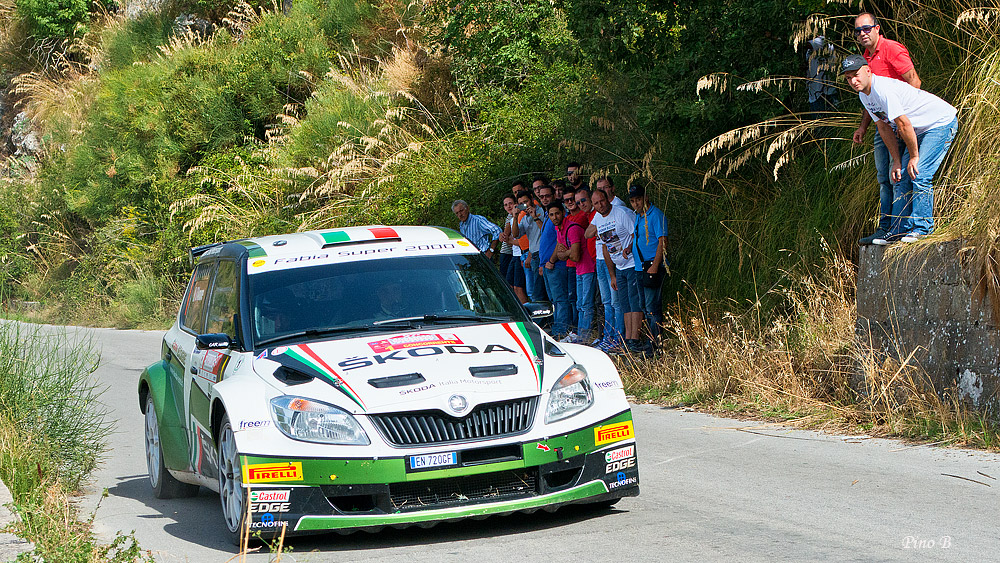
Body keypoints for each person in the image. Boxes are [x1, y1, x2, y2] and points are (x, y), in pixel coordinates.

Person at [842, 55, 958, 244]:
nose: (853, 81)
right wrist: (896, 161)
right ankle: (897, 232)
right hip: (918, 130)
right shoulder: (864, 95)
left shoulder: (883, 90)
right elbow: (883, 127)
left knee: (919, 174)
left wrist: (914, 156)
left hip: (939, 123)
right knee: (900, 177)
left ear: (868, 71)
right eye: (848, 78)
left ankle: (923, 228)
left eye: (856, 75)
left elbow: (903, 125)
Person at [851, 12, 923, 245]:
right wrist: (863, 126)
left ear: (877, 28)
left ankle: (902, 226)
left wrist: (905, 122)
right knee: (884, 176)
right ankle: (886, 228)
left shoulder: (892, 49)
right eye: (858, 30)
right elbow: (868, 95)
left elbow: (914, 82)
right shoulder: (865, 59)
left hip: (900, 122)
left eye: (866, 28)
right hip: (882, 124)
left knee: (901, 175)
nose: (862, 33)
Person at [590, 188, 643, 353]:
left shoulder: (622, 213)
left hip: (632, 264)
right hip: (619, 268)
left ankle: (635, 338)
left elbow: (638, 233)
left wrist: (629, 247)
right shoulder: (599, 219)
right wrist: (612, 275)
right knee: (625, 304)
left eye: (602, 201)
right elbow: (606, 248)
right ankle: (628, 339)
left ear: (608, 199)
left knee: (635, 303)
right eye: (596, 203)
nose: (600, 205)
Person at [629, 183, 668, 347]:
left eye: (638, 199)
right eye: (632, 201)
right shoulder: (639, 216)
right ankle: (651, 340)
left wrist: (655, 265)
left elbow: (663, 241)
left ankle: (656, 344)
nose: (636, 204)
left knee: (652, 307)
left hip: (652, 265)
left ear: (646, 198)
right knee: (644, 306)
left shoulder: (655, 215)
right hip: (640, 266)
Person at [590, 178, 626, 349]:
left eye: (604, 189)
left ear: (611, 189)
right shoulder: (600, 213)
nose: (600, 204)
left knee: (616, 302)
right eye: (596, 203)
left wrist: (604, 231)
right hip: (602, 259)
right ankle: (608, 337)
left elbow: (629, 233)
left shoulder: (619, 208)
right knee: (606, 301)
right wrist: (602, 230)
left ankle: (618, 338)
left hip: (619, 260)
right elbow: (588, 233)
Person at [541, 203, 573, 338]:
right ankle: (557, 329)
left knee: (560, 300)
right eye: (551, 215)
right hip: (547, 266)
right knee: (554, 300)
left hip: (557, 266)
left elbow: (560, 244)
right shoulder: (550, 222)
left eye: (557, 213)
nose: (554, 217)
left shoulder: (564, 223)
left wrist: (551, 260)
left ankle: (561, 331)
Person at [511, 190, 545, 301]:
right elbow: (516, 234)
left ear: (531, 198)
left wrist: (535, 217)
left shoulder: (541, 211)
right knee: (535, 291)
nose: (525, 205)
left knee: (539, 292)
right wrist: (515, 217)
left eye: (526, 202)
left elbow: (546, 232)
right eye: (521, 204)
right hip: (534, 255)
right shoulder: (525, 217)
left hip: (543, 253)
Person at [499, 193, 528, 302]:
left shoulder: (521, 216)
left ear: (516, 204)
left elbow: (523, 241)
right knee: (510, 285)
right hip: (514, 255)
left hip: (521, 255)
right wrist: (502, 236)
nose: (509, 206)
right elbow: (505, 235)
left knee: (519, 287)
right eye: (506, 205)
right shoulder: (510, 218)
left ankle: (526, 313)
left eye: (510, 203)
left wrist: (509, 240)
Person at [805, 36, 839, 115]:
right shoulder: (811, 46)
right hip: (815, 92)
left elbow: (800, 44)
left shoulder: (821, 40)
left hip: (823, 93)